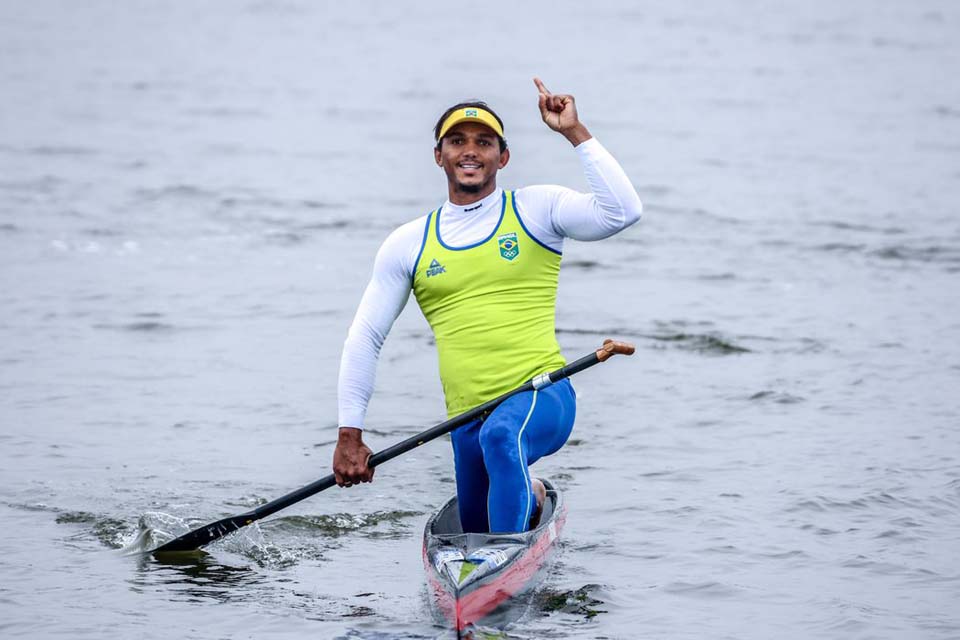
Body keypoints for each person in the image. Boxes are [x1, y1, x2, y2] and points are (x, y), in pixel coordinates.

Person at [332, 77, 642, 534]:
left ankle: (503, 553)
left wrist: (574, 132)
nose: (470, 151)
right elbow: (366, 336)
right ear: (439, 156)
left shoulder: (537, 210)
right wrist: (349, 435)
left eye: (484, 142)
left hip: (544, 395)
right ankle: (528, 499)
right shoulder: (408, 243)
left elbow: (622, 212)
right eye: (457, 141)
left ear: (503, 156)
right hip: (467, 418)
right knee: (477, 513)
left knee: (503, 436)